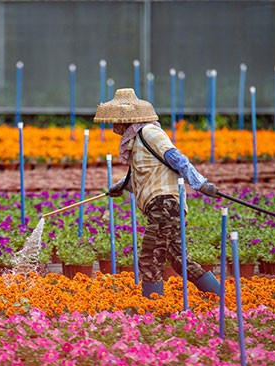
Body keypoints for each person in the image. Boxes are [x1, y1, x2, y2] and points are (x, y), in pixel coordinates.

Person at [94, 88, 221, 298]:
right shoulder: (137, 141)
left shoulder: (149, 133)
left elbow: (175, 158)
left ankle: (153, 307)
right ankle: (221, 297)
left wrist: (200, 184)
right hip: (163, 206)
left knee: (150, 256)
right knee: (180, 260)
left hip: (165, 204)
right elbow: (146, 173)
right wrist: (122, 186)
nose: (113, 125)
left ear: (128, 120)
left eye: (117, 120)